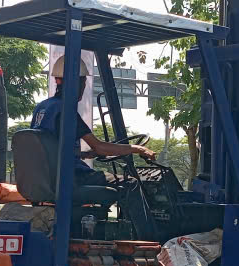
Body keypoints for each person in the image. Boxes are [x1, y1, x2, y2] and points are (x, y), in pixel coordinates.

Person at [30, 55, 156, 183]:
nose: (83, 87)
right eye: (83, 82)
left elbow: (49, 149)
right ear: (76, 83)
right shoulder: (65, 111)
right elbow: (100, 147)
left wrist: (84, 154)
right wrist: (138, 149)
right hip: (71, 176)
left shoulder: (42, 107)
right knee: (131, 183)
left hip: (47, 178)